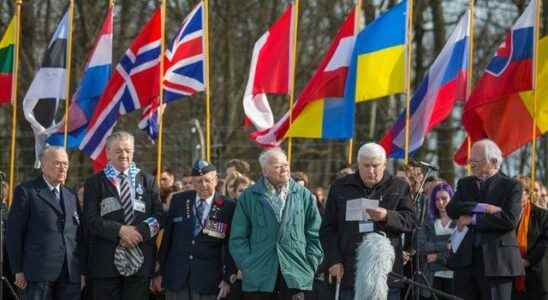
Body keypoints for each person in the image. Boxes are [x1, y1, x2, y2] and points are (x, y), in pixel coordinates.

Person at [320, 142, 415, 300]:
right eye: (366, 165)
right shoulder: (340, 187)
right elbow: (328, 229)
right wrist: (333, 260)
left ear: (384, 164)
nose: (371, 171)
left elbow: (410, 221)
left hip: (386, 275)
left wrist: (387, 216)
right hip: (349, 272)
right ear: (358, 164)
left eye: (376, 165)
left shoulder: (399, 186)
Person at [229, 148, 323, 300]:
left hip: (296, 275)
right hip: (259, 278)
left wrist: (310, 264)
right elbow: (238, 238)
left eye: (286, 164)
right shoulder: (249, 197)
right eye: (278, 166)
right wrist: (248, 265)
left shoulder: (303, 195)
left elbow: (316, 233)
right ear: (265, 171)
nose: (285, 168)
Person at [83, 131, 163, 300]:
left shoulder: (148, 181)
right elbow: (90, 220)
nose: (124, 155)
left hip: (140, 263)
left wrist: (138, 233)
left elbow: (159, 216)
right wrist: (120, 230)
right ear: (108, 153)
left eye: (128, 150)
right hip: (105, 265)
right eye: (118, 150)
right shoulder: (95, 182)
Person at [446, 139, 524, 300]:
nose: (471, 164)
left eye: (476, 161)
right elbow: (452, 209)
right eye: (470, 160)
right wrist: (481, 207)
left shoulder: (512, 186)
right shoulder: (464, 183)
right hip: (465, 261)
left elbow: (509, 219)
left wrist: (472, 220)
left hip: (497, 263)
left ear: (494, 162)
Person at [7, 145, 82, 300]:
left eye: (65, 164)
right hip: (38, 275)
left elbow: (78, 234)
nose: (63, 168)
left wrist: (82, 270)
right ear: (43, 165)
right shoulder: (26, 191)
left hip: (69, 274)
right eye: (57, 163)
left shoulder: (70, 195)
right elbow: (14, 233)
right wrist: (17, 269)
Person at [154, 160, 235, 300]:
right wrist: (159, 272)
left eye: (207, 180)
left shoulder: (228, 206)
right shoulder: (179, 200)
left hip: (209, 282)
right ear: (192, 182)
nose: (203, 185)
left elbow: (230, 245)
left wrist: (228, 278)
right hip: (177, 279)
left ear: (215, 180)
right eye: (198, 181)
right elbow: (167, 240)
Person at [417, 182, 456, 298]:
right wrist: (446, 245)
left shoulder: (459, 222)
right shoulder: (428, 222)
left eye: (444, 198)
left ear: (451, 198)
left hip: (455, 277)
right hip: (432, 278)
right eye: (437, 199)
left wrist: (437, 257)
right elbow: (421, 246)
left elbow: (459, 250)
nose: (441, 203)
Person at [512, 176, 548, 300]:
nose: (513, 194)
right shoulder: (506, 215)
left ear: (527, 193)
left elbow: (545, 242)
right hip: (511, 278)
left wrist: (527, 261)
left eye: (518, 191)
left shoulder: (542, 215)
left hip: (535, 278)